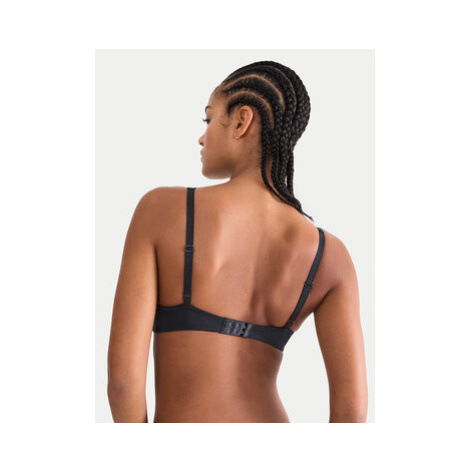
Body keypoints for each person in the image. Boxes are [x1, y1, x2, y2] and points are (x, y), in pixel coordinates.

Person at [107, 60, 368, 423]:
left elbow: (122, 382)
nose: (202, 137)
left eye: (209, 119)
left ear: (242, 120)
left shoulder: (160, 210)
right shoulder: (330, 255)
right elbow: (352, 412)